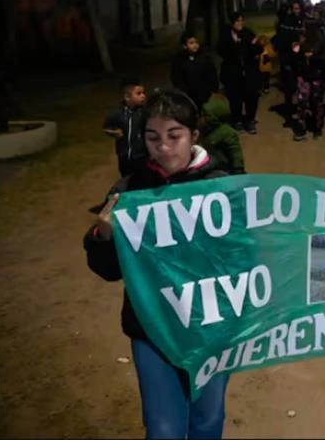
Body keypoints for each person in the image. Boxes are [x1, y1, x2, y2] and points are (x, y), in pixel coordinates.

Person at [85, 90, 230, 438]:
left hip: (210, 328)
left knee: (208, 421)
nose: (163, 147)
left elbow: (252, 253)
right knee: (163, 429)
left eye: (174, 136)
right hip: (152, 330)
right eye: (152, 137)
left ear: (194, 136)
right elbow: (109, 270)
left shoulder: (223, 187)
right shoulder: (130, 190)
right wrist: (103, 234)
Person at [217, 12, 262, 134]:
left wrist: (253, 45)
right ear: (232, 23)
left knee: (251, 97)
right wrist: (236, 44)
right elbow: (222, 51)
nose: (240, 23)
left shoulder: (248, 33)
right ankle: (237, 120)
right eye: (237, 21)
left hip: (249, 72)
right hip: (232, 72)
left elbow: (258, 49)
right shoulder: (225, 35)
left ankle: (250, 120)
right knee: (235, 98)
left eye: (242, 20)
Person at [102, 79, 148, 176]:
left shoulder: (146, 113)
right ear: (127, 97)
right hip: (124, 158)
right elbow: (106, 127)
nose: (143, 96)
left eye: (143, 93)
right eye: (138, 93)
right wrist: (113, 132)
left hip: (143, 157)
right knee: (127, 181)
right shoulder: (117, 114)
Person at [291, 37, 325, 142]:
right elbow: (293, 60)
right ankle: (301, 128)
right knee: (302, 103)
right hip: (303, 77)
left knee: (316, 103)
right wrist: (297, 53)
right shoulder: (299, 39)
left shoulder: (322, 40)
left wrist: (314, 56)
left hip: (317, 77)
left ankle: (317, 128)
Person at [170, 30, 218, 111]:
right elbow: (176, 78)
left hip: (204, 95)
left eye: (196, 42)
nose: (195, 45)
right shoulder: (179, 60)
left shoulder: (205, 58)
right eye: (191, 43)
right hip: (188, 96)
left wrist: (212, 91)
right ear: (185, 46)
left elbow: (212, 76)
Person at [200, 97, 245, 174]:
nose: (202, 118)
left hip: (223, 170)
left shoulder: (227, 133)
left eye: (206, 115)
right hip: (208, 166)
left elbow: (235, 154)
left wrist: (238, 171)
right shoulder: (204, 130)